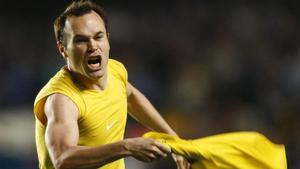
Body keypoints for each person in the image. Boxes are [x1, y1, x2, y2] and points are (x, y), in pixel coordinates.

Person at [33, 0, 189, 169]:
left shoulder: (114, 71)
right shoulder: (62, 100)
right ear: (63, 49)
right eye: (81, 40)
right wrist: (127, 147)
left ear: (107, 38)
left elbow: (131, 97)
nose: (92, 46)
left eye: (98, 36)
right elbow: (63, 159)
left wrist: (173, 139)